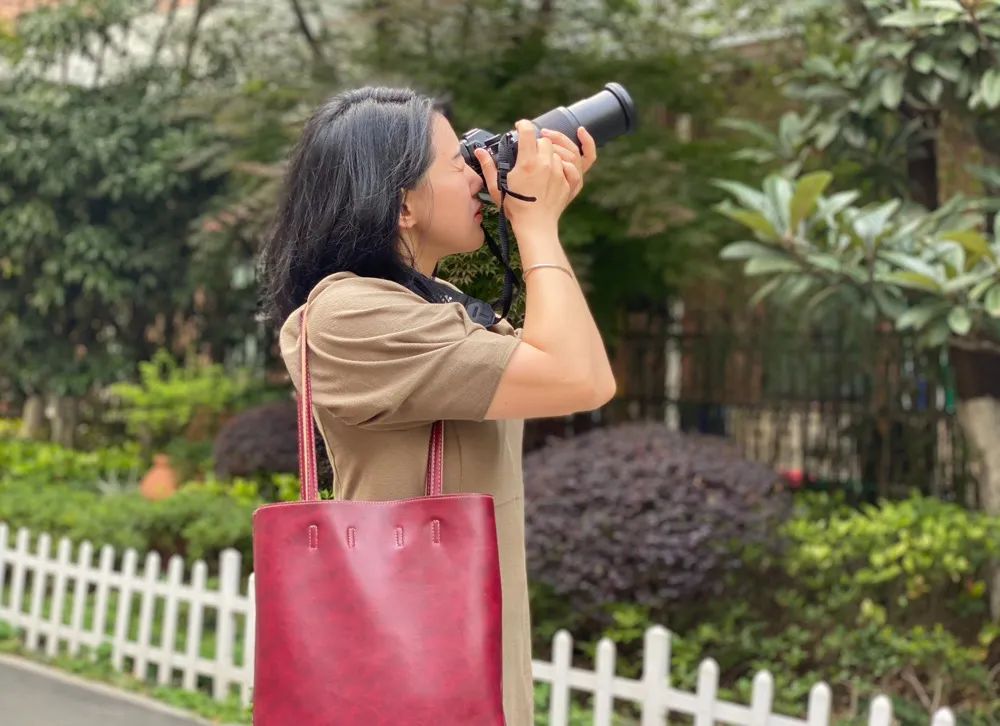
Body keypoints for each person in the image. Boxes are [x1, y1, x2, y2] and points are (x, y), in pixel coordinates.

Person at [257, 86, 616, 725]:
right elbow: (578, 379)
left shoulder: (436, 304)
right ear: (401, 205)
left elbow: (572, 362)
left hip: (473, 667)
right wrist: (536, 224)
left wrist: (536, 214)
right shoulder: (347, 315)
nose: (481, 171)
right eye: (458, 160)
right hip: (404, 674)